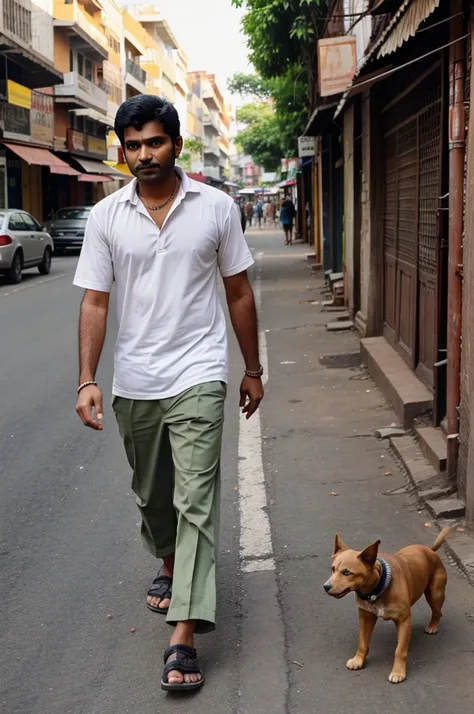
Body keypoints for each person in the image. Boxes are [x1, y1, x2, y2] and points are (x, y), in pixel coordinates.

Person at [74, 95, 264, 693]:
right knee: (154, 497)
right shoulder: (107, 216)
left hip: (199, 372)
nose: (143, 155)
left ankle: (183, 633)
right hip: (136, 379)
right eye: (132, 146)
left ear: (176, 144)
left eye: (154, 142)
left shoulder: (218, 208)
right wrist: (87, 378)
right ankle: (168, 561)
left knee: (196, 500)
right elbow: (95, 301)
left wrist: (251, 368)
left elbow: (237, 291)